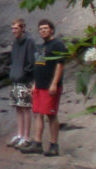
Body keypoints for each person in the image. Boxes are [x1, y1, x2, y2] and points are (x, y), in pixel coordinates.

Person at [19, 19, 66, 157]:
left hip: (50, 86)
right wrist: (34, 83)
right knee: (38, 113)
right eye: (40, 29)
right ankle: (37, 143)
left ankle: (54, 145)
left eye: (45, 28)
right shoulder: (41, 47)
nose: (43, 31)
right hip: (39, 86)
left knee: (51, 115)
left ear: (51, 29)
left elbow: (60, 65)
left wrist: (54, 83)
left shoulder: (58, 45)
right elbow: (38, 66)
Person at [7, 18, 36, 148]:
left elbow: (32, 61)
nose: (14, 31)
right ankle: (19, 134)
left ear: (22, 28)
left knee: (25, 108)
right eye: (12, 28)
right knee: (18, 107)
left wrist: (27, 75)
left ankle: (26, 137)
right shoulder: (15, 43)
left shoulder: (29, 42)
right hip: (15, 78)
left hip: (24, 80)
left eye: (16, 28)